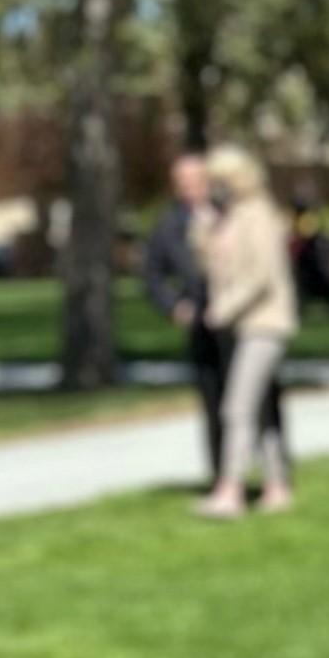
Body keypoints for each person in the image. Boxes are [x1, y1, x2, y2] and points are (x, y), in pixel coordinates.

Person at [192, 147, 295, 514]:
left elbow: (261, 275)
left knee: (237, 406)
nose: (211, 187)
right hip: (241, 326)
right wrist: (204, 227)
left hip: (265, 324)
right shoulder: (228, 217)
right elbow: (210, 264)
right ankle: (277, 486)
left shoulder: (259, 215)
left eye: (217, 180)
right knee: (261, 407)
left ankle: (230, 489)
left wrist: (226, 306)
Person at [143, 148, 227, 484]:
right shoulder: (168, 225)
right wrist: (174, 305)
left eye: (195, 179)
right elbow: (151, 275)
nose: (189, 186)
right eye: (182, 181)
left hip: (237, 319)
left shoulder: (228, 214)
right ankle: (222, 475)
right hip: (200, 323)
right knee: (212, 402)